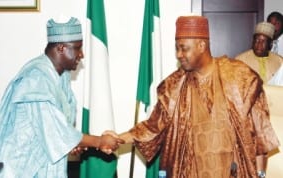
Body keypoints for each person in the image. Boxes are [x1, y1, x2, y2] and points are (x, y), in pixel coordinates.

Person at [115, 16, 280, 178]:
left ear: (202, 45)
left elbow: (260, 137)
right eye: (177, 48)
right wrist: (116, 138)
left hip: (234, 170)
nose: (179, 54)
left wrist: (260, 174)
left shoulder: (240, 77)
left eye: (184, 48)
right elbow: (151, 128)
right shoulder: (174, 87)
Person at [0, 17, 123, 177]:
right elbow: (54, 130)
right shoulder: (37, 78)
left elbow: (59, 131)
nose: (82, 55)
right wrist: (99, 141)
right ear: (61, 48)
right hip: (17, 168)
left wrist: (70, 144)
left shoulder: (60, 77)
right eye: (77, 48)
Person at [235, 21, 283, 85]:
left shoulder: (280, 61)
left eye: (263, 41)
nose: (259, 44)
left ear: (270, 44)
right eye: (257, 40)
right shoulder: (240, 60)